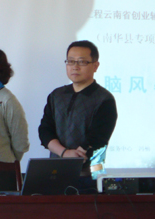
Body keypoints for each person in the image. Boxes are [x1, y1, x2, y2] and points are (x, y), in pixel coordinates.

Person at [38, 40, 117, 191]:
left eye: (82, 62)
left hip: (89, 177)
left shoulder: (104, 99)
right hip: (55, 173)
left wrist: (75, 156)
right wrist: (64, 153)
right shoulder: (56, 95)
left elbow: (98, 138)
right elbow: (45, 130)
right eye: (71, 61)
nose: (75, 66)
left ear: (95, 66)